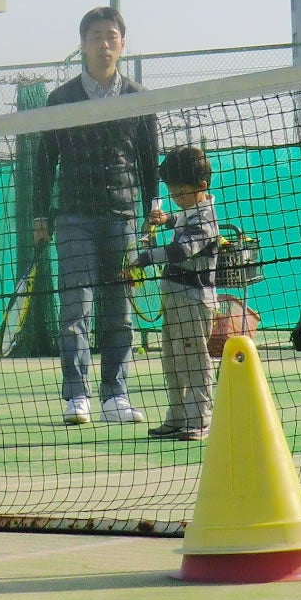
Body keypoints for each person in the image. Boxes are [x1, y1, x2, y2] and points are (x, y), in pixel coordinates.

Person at [31, 6, 159, 427]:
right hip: (72, 218)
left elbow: (148, 158)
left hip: (122, 216)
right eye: (95, 37)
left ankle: (115, 397)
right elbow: (44, 161)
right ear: (83, 45)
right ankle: (77, 396)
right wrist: (39, 214)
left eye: (111, 37)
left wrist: (152, 207)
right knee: (75, 310)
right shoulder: (60, 100)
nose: (104, 45)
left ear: (121, 43)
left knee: (119, 311)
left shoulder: (140, 98)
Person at [125, 146, 221, 441]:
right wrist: (165, 219)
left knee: (194, 360)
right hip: (174, 299)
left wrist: (144, 257)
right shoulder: (189, 212)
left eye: (179, 194)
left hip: (194, 301)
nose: (176, 199)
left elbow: (182, 250)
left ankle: (200, 418)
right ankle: (178, 417)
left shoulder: (205, 219)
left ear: (201, 187)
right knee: (172, 358)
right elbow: (180, 221)